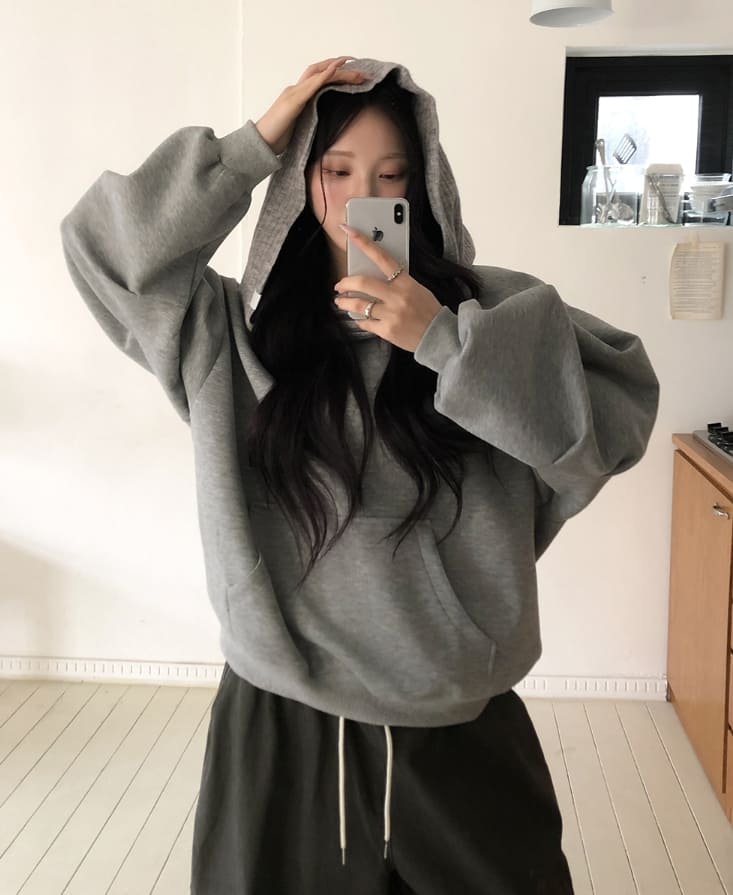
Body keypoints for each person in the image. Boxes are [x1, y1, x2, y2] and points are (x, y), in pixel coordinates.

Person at [60, 56, 660, 895]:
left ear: (424, 184)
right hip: (281, 728)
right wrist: (252, 143)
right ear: (300, 183)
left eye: (389, 175)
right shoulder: (232, 336)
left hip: (457, 727)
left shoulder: (489, 316)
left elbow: (615, 414)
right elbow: (102, 247)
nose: (358, 198)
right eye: (334, 171)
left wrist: (444, 341)